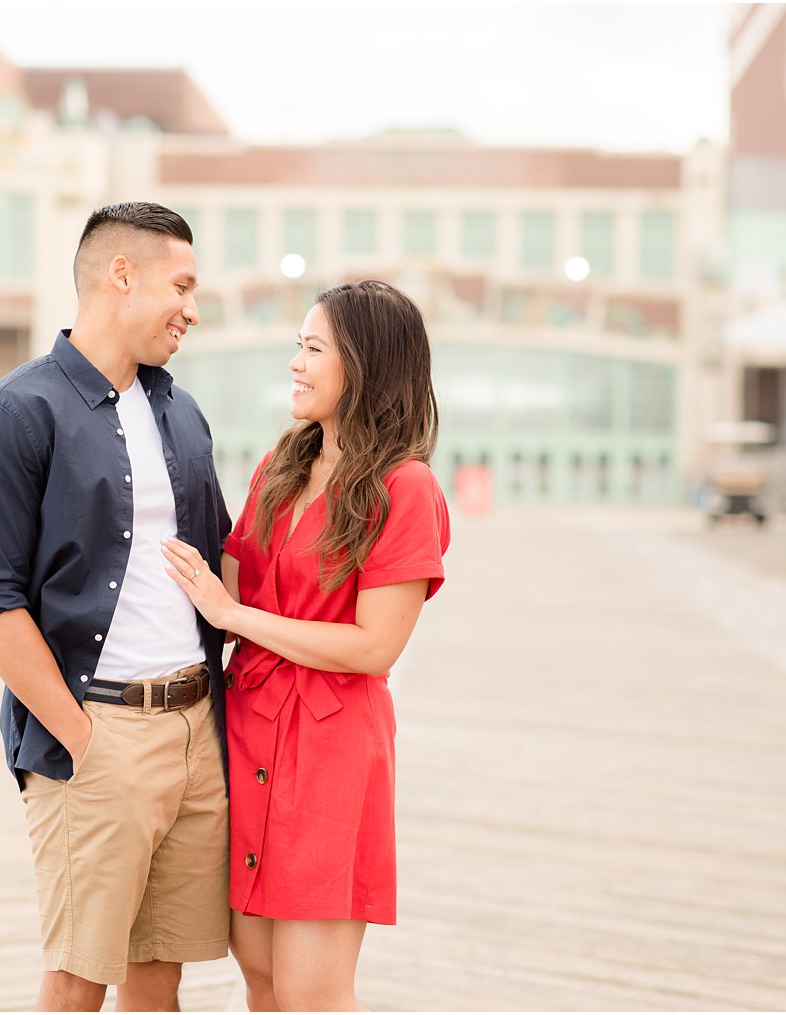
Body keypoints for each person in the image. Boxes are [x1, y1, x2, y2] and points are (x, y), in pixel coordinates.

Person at [0, 202, 233, 1011]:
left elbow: (220, 557)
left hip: (195, 729)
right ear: (121, 276)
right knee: (77, 984)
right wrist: (83, 738)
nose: (193, 308)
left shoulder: (178, 409)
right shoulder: (11, 417)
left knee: (158, 980)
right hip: (97, 737)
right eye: (181, 284)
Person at [162, 280, 450, 1011]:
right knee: (259, 977)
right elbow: (219, 587)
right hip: (249, 728)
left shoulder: (404, 487)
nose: (295, 362)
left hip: (329, 746)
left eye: (313, 348)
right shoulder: (280, 466)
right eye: (298, 344)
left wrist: (238, 617)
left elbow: (373, 647)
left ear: (366, 363)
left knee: (310, 992)